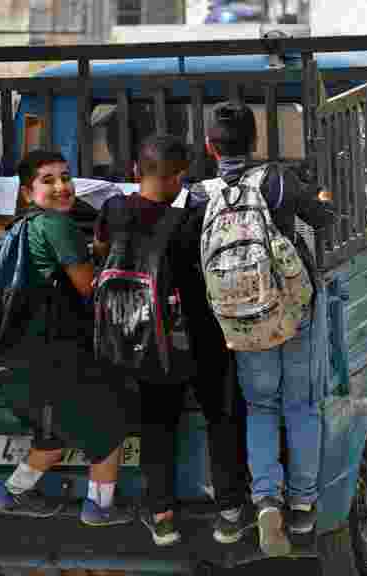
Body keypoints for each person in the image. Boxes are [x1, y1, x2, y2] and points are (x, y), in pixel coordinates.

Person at [93, 135, 253, 547]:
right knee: (221, 418)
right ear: (181, 176)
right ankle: (230, 513)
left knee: (157, 426)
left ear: (134, 171)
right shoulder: (193, 219)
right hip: (200, 336)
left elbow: (100, 249)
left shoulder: (114, 210)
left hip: (140, 337)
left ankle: (162, 515)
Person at [196, 101, 334, 556]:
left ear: (210, 147)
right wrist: (322, 202)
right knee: (301, 405)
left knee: (260, 406)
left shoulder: (202, 193)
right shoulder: (275, 179)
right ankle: (302, 506)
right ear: (255, 143)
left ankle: (266, 499)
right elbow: (322, 220)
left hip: (242, 318)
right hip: (293, 309)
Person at [0, 149, 139, 527]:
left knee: (52, 436)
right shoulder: (58, 226)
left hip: (22, 355)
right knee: (109, 426)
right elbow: (89, 287)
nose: (61, 187)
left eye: (65, 177)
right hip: (56, 353)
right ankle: (100, 507)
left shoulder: (20, 227)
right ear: (27, 192)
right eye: (48, 180)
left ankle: (11, 494)